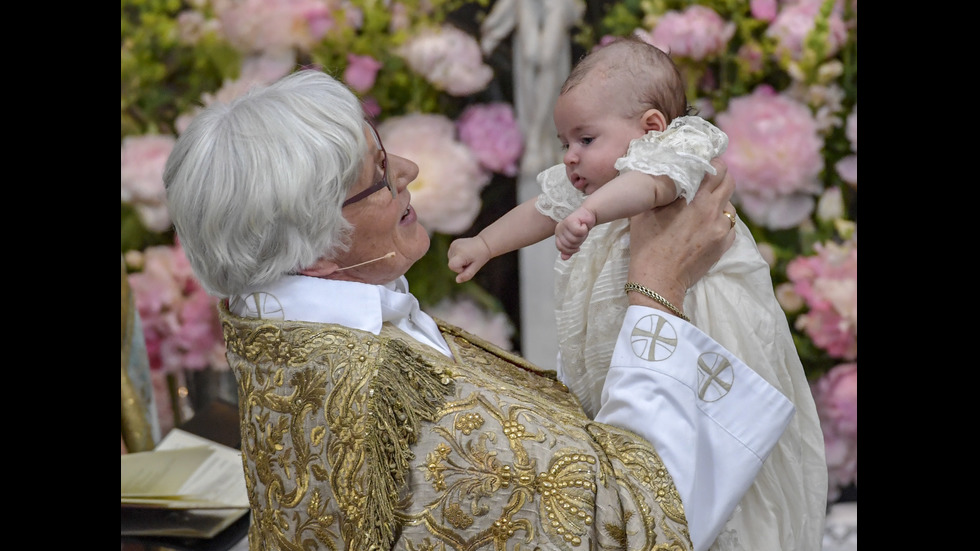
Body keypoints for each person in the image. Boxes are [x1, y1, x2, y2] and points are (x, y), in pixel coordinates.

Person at [164, 68, 795, 551]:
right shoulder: (391, 399)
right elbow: (638, 522)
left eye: (385, 149)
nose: (409, 168)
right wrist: (658, 283)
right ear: (319, 245)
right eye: (381, 173)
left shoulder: (280, 331)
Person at [448, 37, 827, 551]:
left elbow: (652, 189)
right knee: (628, 448)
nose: (571, 157)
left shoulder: (675, 153)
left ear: (650, 128)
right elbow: (542, 208)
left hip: (701, 334)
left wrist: (591, 213)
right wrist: (486, 244)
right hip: (630, 337)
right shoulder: (588, 183)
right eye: (565, 142)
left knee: (707, 463)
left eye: (584, 139)